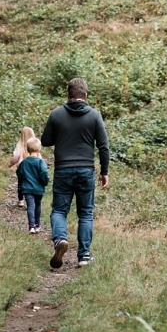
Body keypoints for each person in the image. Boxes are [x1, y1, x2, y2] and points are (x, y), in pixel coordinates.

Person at [40, 77, 109, 269]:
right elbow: (103, 146)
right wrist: (104, 172)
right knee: (86, 213)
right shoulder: (94, 115)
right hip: (86, 170)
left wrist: (61, 132)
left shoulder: (56, 114)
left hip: (63, 169)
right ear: (85, 95)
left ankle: (60, 240)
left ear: (68, 95)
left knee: (59, 210)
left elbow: (45, 140)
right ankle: (84, 256)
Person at [15, 136, 50, 234]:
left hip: (27, 188)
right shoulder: (40, 162)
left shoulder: (24, 162)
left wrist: (24, 180)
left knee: (30, 205)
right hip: (39, 189)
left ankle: (31, 227)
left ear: (27, 149)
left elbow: (19, 173)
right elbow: (44, 173)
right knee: (38, 205)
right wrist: (45, 182)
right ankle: (37, 225)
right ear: (39, 149)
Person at [9, 125, 37, 208]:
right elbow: (39, 157)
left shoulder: (20, 144)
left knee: (21, 183)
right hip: (33, 168)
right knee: (32, 183)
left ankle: (21, 200)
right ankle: (32, 200)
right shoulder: (36, 144)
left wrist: (11, 164)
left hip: (22, 168)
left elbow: (16, 156)